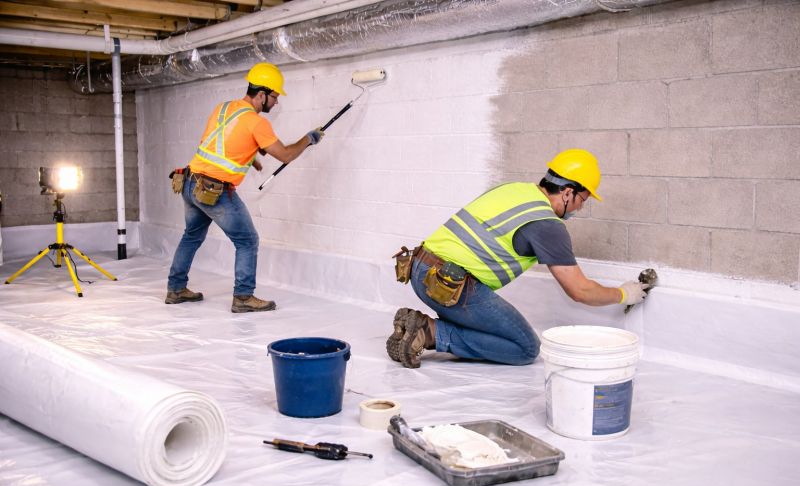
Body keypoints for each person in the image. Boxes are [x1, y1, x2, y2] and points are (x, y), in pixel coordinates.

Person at [386, 148, 649, 368]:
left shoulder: (514, 189)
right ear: (568, 192)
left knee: (491, 326)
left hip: (419, 269)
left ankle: (424, 329)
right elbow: (579, 290)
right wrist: (625, 294)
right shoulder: (546, 224)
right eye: (583, 199)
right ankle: (430, 332)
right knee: (524, 348)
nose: (581, 207)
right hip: (451, 288)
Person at [166, 63, 324, 313]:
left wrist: (251, 156)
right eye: (274, 96)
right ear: (261, 94)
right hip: (213, 191)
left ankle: (175, 289)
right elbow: (285, 155)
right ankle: (243, 297)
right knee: (248, 240)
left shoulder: (224, 108)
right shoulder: (256, 123)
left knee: (192, 236)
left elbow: (224, 141)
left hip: (189, 181)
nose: (276, 102)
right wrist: (308, 139)